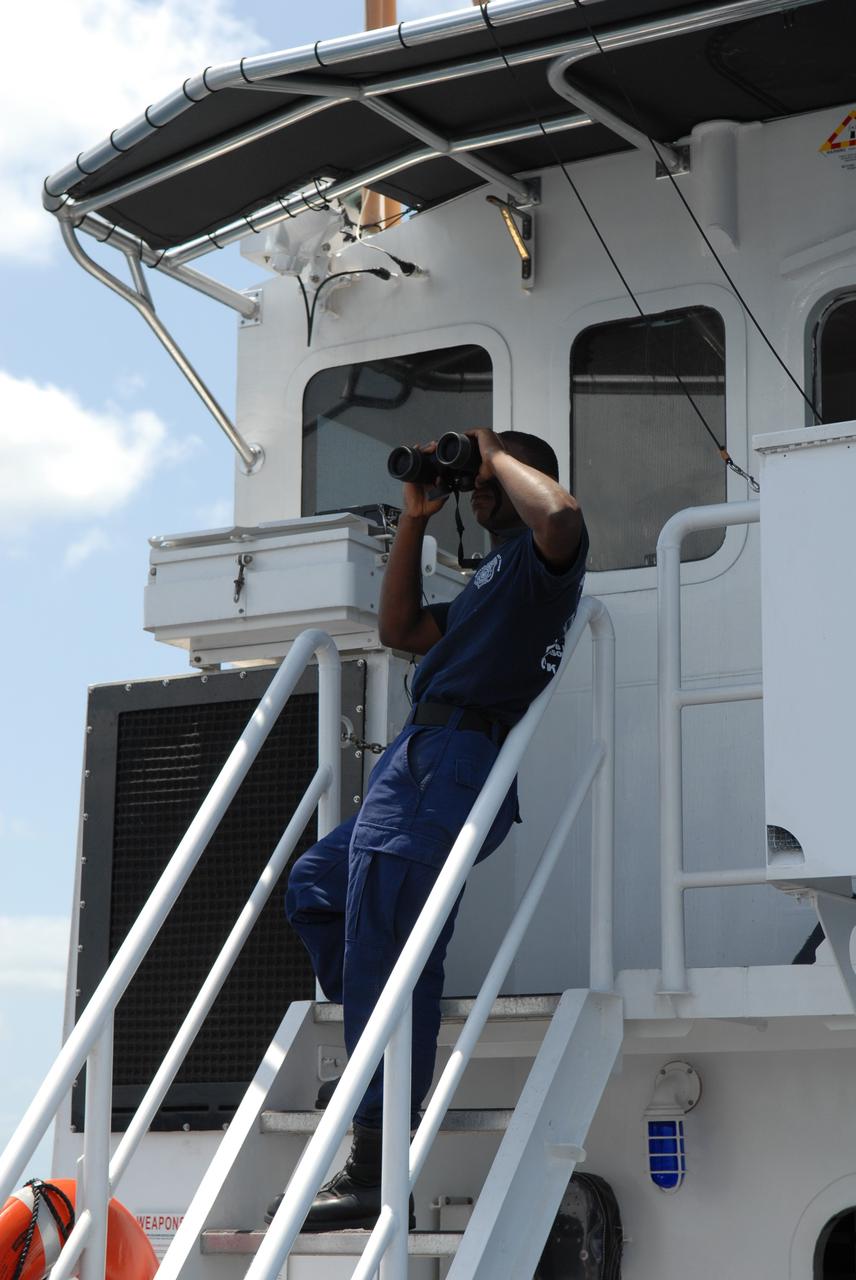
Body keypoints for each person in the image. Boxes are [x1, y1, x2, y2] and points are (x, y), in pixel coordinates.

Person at [267, 427, 588, 1231]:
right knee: (315, 887)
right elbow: (399, 629)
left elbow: (561, 518)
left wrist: (488, 449)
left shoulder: (542, 566)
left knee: (383, 931)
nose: (472, 486)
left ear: (522, 476)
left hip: (452, 757)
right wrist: (415, 517)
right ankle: (386, 1031)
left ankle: (377, 1158)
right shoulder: (491, 579)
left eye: (483, 477)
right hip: (418, 756)